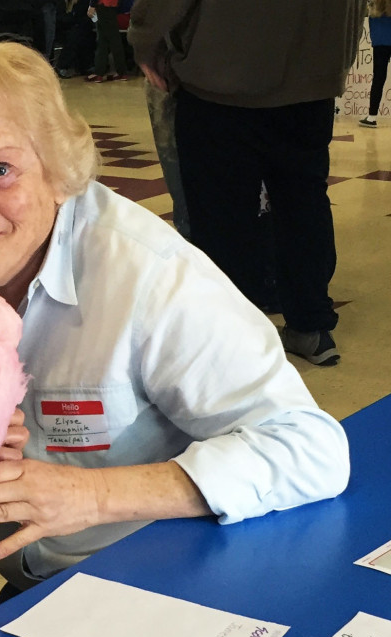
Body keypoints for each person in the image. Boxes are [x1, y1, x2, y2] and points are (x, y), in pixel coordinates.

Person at [0, 42, 349, 589]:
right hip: (25, 592)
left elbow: (310, 448)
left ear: (58, 174)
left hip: (170, 574)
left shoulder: (150, 277)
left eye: (0, 170)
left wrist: (87, 496)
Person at [129, 0, 367, 368]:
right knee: (304, 203)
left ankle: (231, 339)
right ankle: (311, 325)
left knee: (221, 215)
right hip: (313, 73)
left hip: (221, 72)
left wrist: (146, 37)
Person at [86, 0, 128, 82]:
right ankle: (100, 72)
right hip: (112, 5)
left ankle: (120, 72)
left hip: (103, 4)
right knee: (104, 40)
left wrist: (92, 5)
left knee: (109, 40)